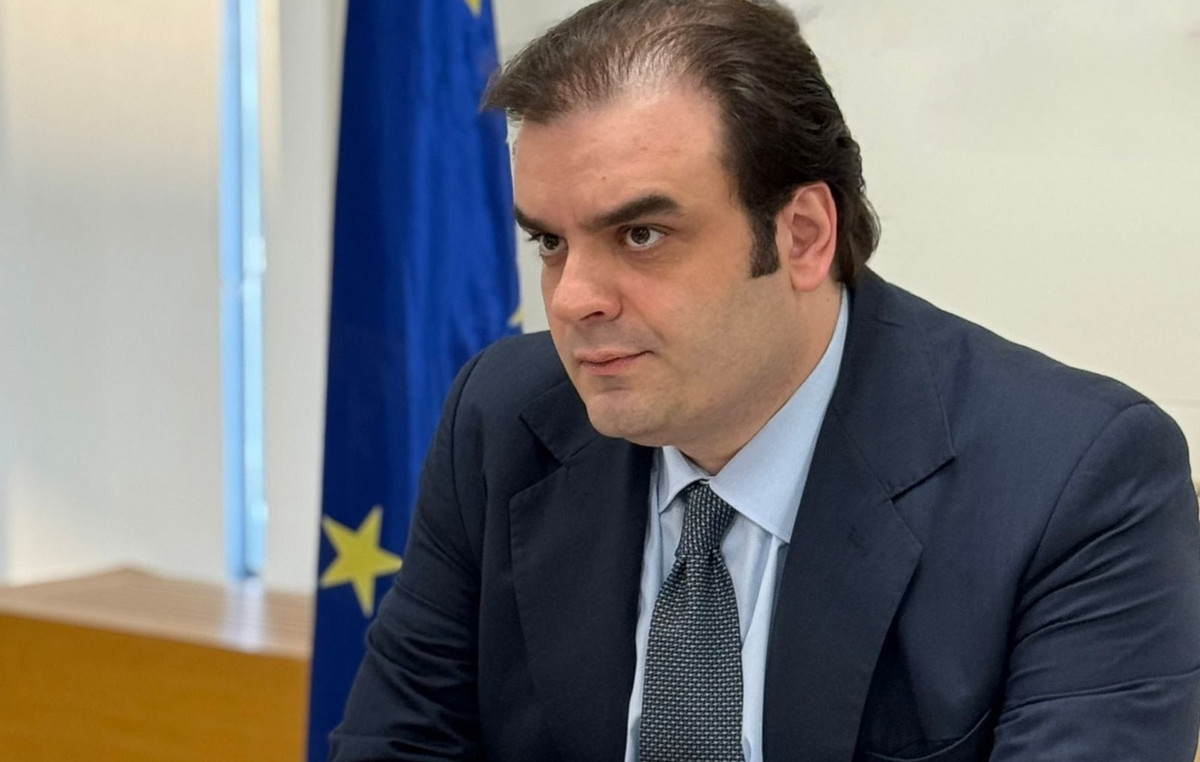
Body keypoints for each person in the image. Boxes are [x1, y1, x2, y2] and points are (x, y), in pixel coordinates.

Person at [329, 1, 1200, 760]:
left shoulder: (1075, 483)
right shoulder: (506, 417)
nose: (572, 299)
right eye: (551, 242)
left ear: (803, 235)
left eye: (640, 235)